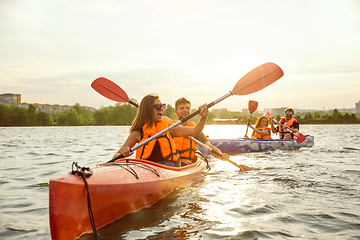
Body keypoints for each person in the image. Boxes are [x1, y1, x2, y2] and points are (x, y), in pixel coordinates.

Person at [113, 93, 208, 167]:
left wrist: (203, 117)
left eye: (162, 106)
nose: (161, 109)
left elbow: (195, 131)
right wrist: (124, 154)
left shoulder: (170, 128)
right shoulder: (137, 133)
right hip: (146, 169)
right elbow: (116, 156)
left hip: (169, 169)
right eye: (158, 107)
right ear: (148, 110)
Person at [173, 97, 230, 162]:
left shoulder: (195, 130)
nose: (185, 110)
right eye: (181, 108)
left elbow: (210, 147)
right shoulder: (170, 129)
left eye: (187, 108)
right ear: (176, 112)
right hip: (172, 164)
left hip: (189, 164)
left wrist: (221, 155)